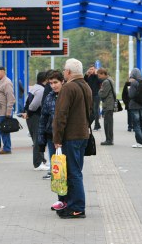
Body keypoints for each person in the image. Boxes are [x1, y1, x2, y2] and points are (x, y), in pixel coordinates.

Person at [53, 58, 92, 219]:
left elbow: (61, 115)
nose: (63, 72)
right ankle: (71, 203)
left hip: (71, 136)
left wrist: (57, 138)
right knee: (75, 170)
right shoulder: (86, 86)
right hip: (83, 135)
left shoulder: (68, 87)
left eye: (64, 70)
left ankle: (77, 207)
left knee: (73, 173)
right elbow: (91, 111)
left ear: (68, 72)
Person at [37, 70, 64, 185]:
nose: (53, 86)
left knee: (67, 168)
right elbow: (43, 118)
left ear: (62, 81)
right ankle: (61, 197)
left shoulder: (67, 95)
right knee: (56, 167)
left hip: (66, 137)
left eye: (55, 82)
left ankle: (69, 197)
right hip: (51, 136)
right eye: (51, 83)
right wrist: (41, 138)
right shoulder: (49, 96)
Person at [22, 71, 47, 171]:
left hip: (32, 117)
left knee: (37, 139)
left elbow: (27, 102)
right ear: (45, 79)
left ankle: (41, 160)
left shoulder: (35, 87)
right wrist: (29, 112)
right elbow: (33, 105)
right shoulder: (41, 90)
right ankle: (38, 163)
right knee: (38, 140)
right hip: (35, 116)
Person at [0, 66, 15, 155]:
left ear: (4, 72)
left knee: (4, 131)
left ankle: (7, 148)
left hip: (4, 112)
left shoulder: (7, 83)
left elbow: (11, 98)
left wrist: (8, 111)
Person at [128, 68, 142, 148]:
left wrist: (130, 88)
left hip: (134, 105)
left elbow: (131, 95)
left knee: (136, 124)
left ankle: (140, 142)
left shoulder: (134, 83)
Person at [97, 68, 114, 145]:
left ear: (103, 74)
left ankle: (109, 140)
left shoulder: (106, 82)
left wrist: (99, 90)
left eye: (99, 75)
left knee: (107, 123)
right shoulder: (110, 79)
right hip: (110, 104)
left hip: (108, 104)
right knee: (109, 122)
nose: (98, 77)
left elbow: (102, 94)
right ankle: (109, 139)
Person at [84, 65, 102, 131]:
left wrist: (96, 74)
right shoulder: (89, 76)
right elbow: (84, 80)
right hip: (90, 95)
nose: (91, 70)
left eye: (92, 69)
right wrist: (86, 74)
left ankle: (96, 126)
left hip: (96, 95)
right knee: (92, 111)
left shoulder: (96, 76)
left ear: (95, 70)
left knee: (95, 111)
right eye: (90, 69)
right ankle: (98, 125)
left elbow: (100, 81)